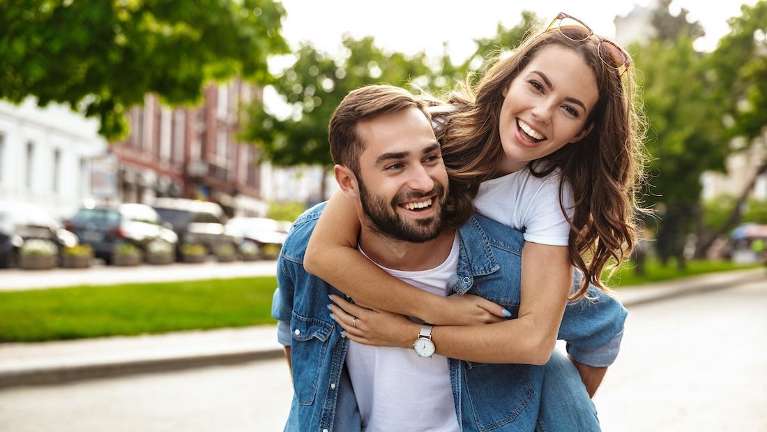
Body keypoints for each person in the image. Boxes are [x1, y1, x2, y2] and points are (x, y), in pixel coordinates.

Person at [304, 11, 642, 396]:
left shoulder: (550, 192)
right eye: (536, 86)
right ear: (508, 79)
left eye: (570, 109)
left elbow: (534, 341)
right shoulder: (435, 131)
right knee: (305, 232)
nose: (541, 114)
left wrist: (413, 334)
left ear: (583, 131)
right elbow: (322, 253)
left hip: (505, 304)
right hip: (442, 292)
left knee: (574, 350)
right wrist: (439, 312)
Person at [273, 84, 627, 432]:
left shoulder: (505, 268)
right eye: (395, 166)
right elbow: (295, 335)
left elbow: (602, 323)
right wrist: (440, 312)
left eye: (430, 158)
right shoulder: (307, 248)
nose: (423, 182)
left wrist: (545, 413)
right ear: (347, 183)